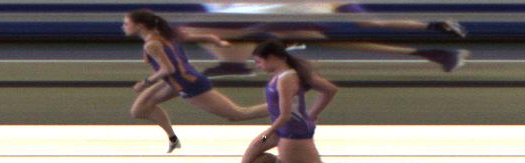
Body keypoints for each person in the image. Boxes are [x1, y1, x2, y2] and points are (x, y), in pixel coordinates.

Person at [240, 40, 426, 163]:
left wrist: (269, 133)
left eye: (259, 61)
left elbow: (286, 114)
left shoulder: (286, 79)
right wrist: (311, 115)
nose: (258, 66)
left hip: (291, 132)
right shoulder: (285, 75)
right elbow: (329, 89)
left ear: (271, 57)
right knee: (247, 162)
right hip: (281, 129)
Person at [123, 9, 269, 152]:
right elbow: (199, 38)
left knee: (237, 114)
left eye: (127, 24)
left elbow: (168, 69)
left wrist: (145, 82)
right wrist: (215, 41)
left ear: (140, 26)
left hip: (188, 83)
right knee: (139, 109)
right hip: (177, 81)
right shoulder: (165, 34)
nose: (124, 27)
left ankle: (280, 109)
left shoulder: (152, 44)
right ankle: (173, 139)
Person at [189, 2, 468, 77]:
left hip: (292, 24)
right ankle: (434, 50)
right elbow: (373, 23)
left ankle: (234, 65)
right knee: (336, 39)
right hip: (292, 24)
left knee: (256, 36)